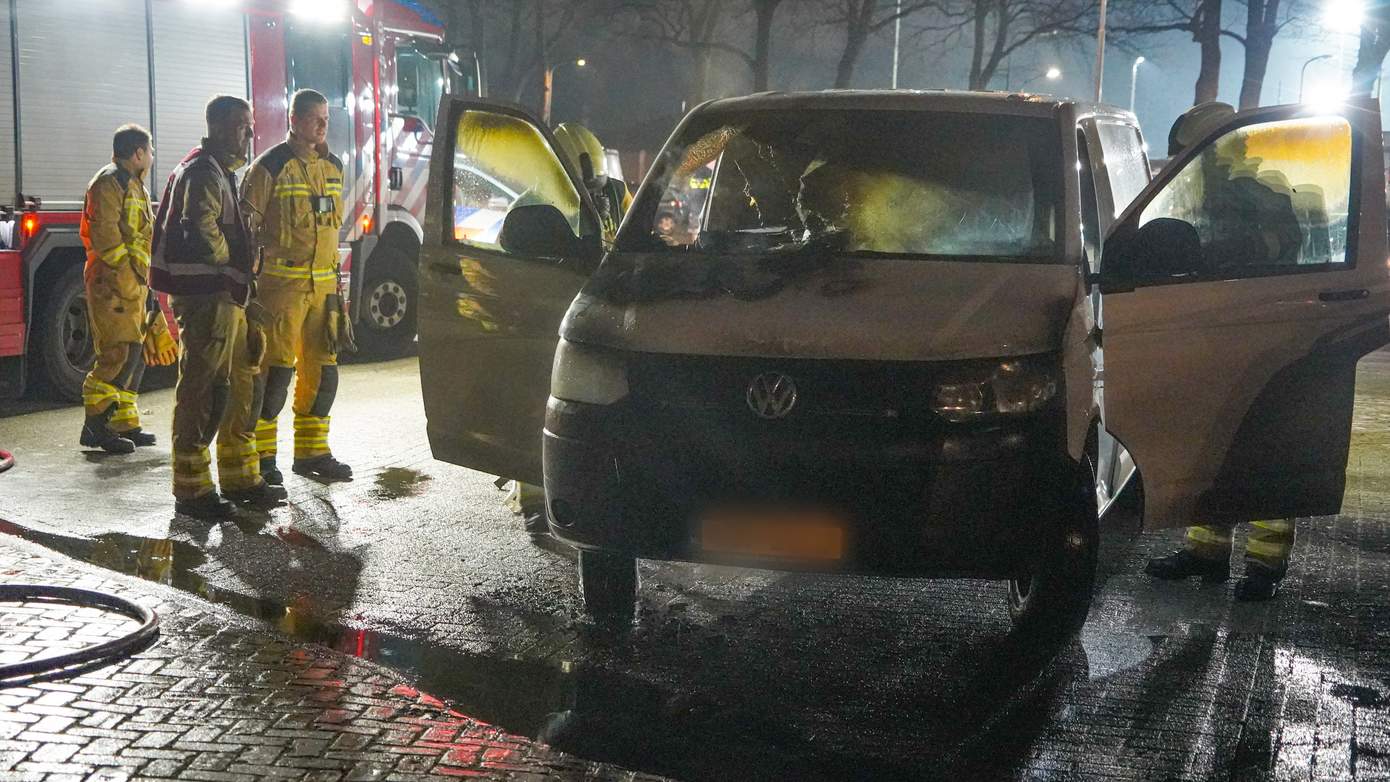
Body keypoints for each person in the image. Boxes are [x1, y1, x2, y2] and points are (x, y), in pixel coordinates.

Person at [1143, 101, 1297, 601]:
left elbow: (1274, 259)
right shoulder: (1197, 197)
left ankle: (1264, 566)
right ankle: (1206, 551)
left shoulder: (1262, 198)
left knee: (1264, 451)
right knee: (1212, 446)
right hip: (1214, 335)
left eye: (1189, 154)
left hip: (1260, 339)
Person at [150, 94, 282, 518]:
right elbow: (202, 229)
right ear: (221, 127)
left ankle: (241, 476)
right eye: (243, 125)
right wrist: (232, 260)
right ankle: (192, 490)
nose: (249, 133)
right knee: (204, 388)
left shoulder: (218, 171)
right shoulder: (203, 173)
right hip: (208, 298)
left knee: (241, 381)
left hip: (226, 297)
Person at [241, 89, 352, 484]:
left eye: (326, 118)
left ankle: (312, 453)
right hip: (280, 289)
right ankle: (263, 458)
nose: (323, 125)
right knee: (274, 375)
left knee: (323, 375)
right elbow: (243, 228)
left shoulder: (334, 167)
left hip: (323, 290)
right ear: (294, 119)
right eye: (314, 118)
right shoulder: (269, 166)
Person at [78, 124, 176, 454]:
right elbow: (107, 238)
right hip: (114, 283)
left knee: (136, 351)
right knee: (117, 353)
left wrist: (143, 278)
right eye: (149, 151)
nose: (152, 157)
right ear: (137, 153)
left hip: (133, 282)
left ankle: (123, 422)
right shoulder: (109, 182)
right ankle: (96, 426)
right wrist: (126, 275)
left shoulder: (133, 183)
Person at [552, 123, 631, 243]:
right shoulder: (538, 204)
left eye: (597, 187)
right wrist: (591, 222)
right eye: (582, 188)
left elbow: (637, 233)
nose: (592, 194)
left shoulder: (618, 192)